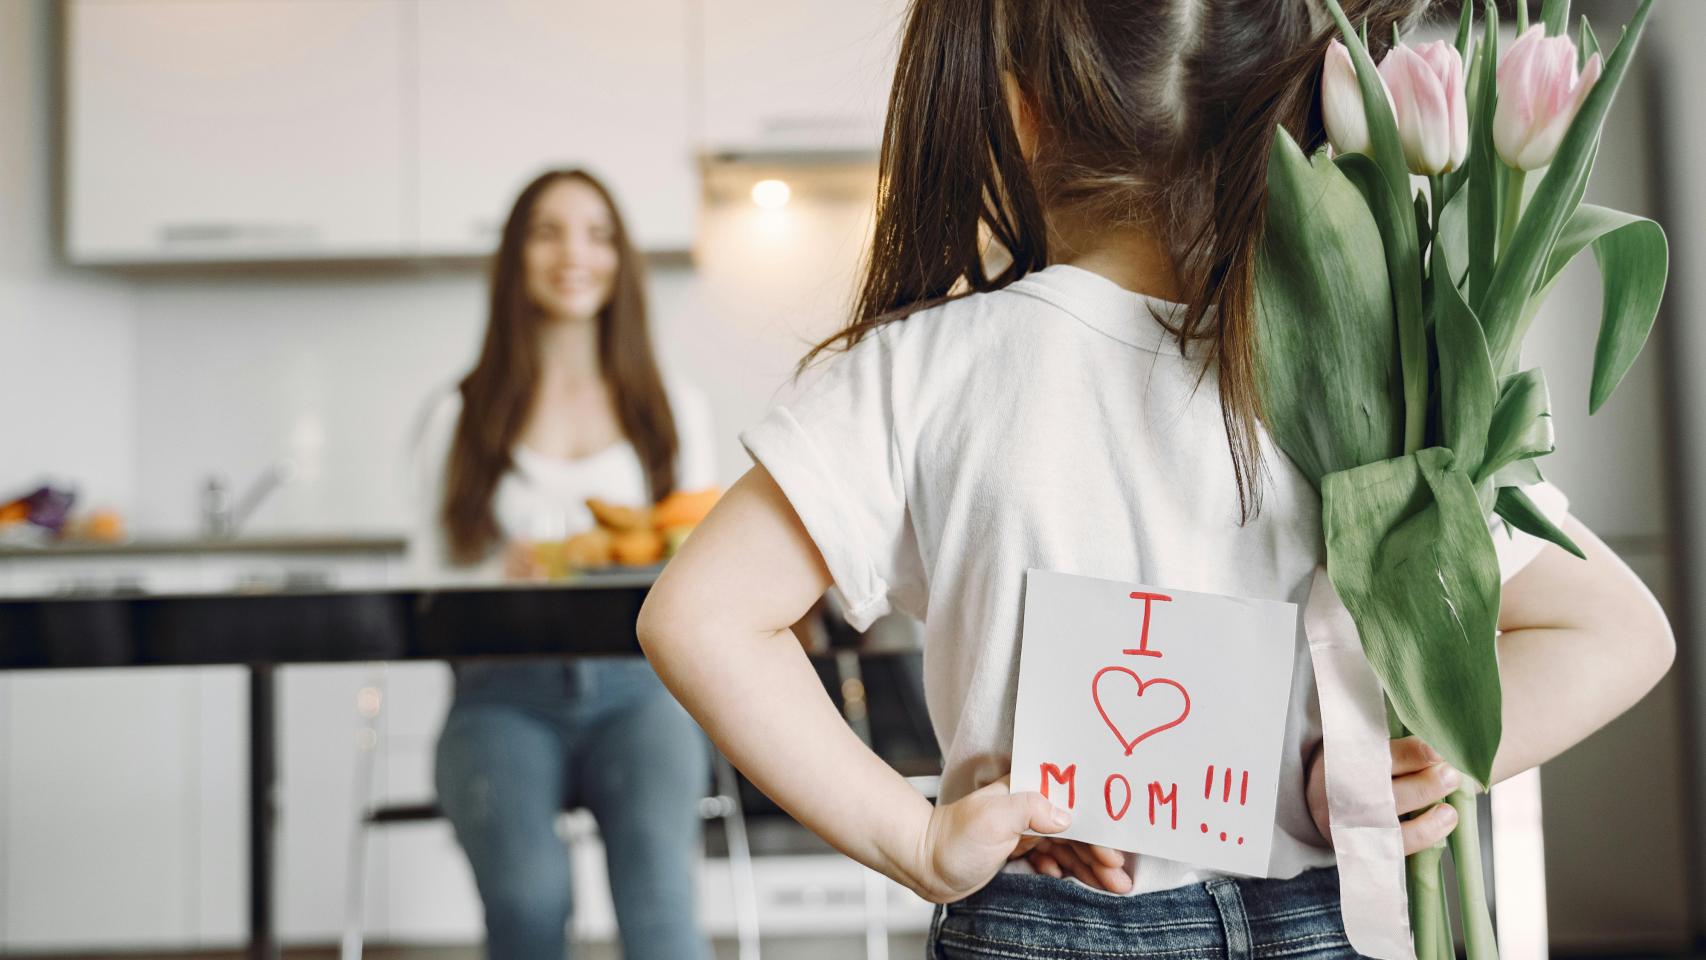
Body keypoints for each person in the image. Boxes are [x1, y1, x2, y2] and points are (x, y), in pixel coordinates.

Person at [633, 1, 1676, 956]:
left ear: (1022, 112)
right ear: (1300, 114)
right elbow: (1617, 631)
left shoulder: (922, 369)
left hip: (1052, 914)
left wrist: (916, 841)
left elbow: (700, 619)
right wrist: (1431, 756)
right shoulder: (1362, 375)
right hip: (1326, 912)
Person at [410, 169, 714, 960]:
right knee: (527, 902)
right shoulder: (459, 412)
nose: (573, 253)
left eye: (597, 232)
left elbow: (704, 566)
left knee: (661, 908)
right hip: (501, 693)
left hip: (643, 691)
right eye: (547, 231)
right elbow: (422, 584)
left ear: (622, 258)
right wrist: (490, 577)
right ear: (515, 256)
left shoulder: (671, 405)